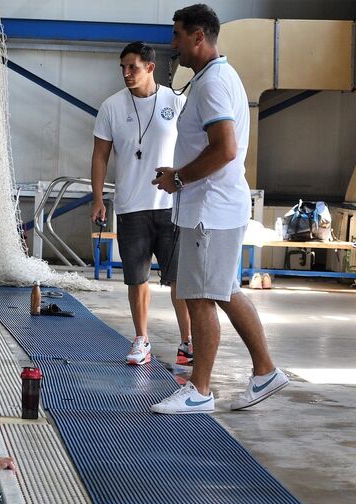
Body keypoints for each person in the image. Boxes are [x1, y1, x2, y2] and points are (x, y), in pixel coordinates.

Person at [151, 3, 288, 414]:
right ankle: (265, 371)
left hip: (208, 211)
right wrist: (179, 173)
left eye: (177, 35)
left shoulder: (212, 84)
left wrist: (179, 179)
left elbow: (225, 149)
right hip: (215, 207)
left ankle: (200, 390)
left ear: (198, 37)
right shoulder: (216, 78)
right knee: (224, 291)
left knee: (200, 298)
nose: (173, 44)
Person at [91, 41, 192, 366]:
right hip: (131, 205)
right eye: (122, 67)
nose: (126, 73)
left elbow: (196, 147)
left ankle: (188, 342)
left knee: (178, 280)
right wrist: (97, 199)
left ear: (150, 67)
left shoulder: (176, 102)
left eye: (132, 67)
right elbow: (100, 156)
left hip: (172, 205)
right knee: (137, 278)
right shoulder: (111, 107)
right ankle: (141, 339)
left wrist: (187, 184)